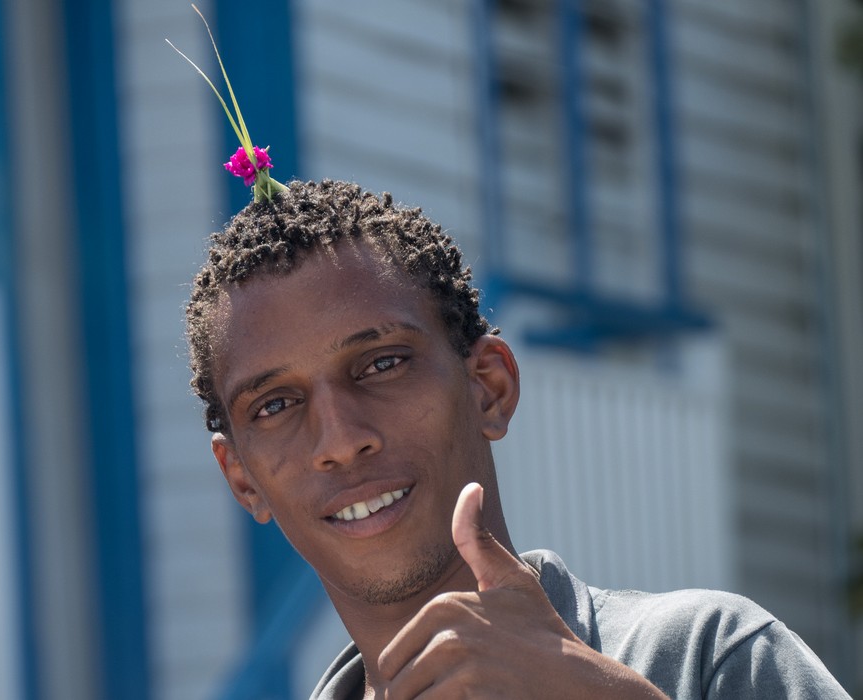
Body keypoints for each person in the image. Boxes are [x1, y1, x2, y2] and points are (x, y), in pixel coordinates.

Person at [185, 179, 850, 699]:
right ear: (242, 477)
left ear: (487, 388)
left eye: (382, 363)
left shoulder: (708, 656)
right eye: (275, 404)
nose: (340, 438)